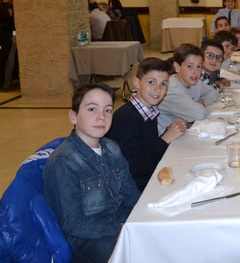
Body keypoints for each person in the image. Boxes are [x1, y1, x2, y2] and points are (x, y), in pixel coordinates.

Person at [43, 83, 140, 263]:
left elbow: (131, 195)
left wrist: (141, 220)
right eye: (92, 109)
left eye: (108, 110)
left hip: (119, 224)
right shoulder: (63, 162)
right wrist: (119, 228)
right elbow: (73, 223)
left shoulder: (112, 148)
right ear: (73, 116)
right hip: (86, 239)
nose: (101, 117)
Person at [106, 58, 187, 191]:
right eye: (151, 82)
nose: (157, 89)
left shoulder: (149, 111)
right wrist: (165, 138)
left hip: (148, 177)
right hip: (134, 189)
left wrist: (169, 131)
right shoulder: (126, 119)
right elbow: (135, 169)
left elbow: (146, 147)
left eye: (163, 84)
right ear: (137, 83)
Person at [157, 43, 220, 134]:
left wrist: (202, 101)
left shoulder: (193, 82)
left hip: (183, 131)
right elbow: (198, 115)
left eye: (199, 67)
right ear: (177, 67)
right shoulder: (171, 89)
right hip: (165, 138)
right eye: (190, 66)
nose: (195, 72)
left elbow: (214, 93)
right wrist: (197, 107)